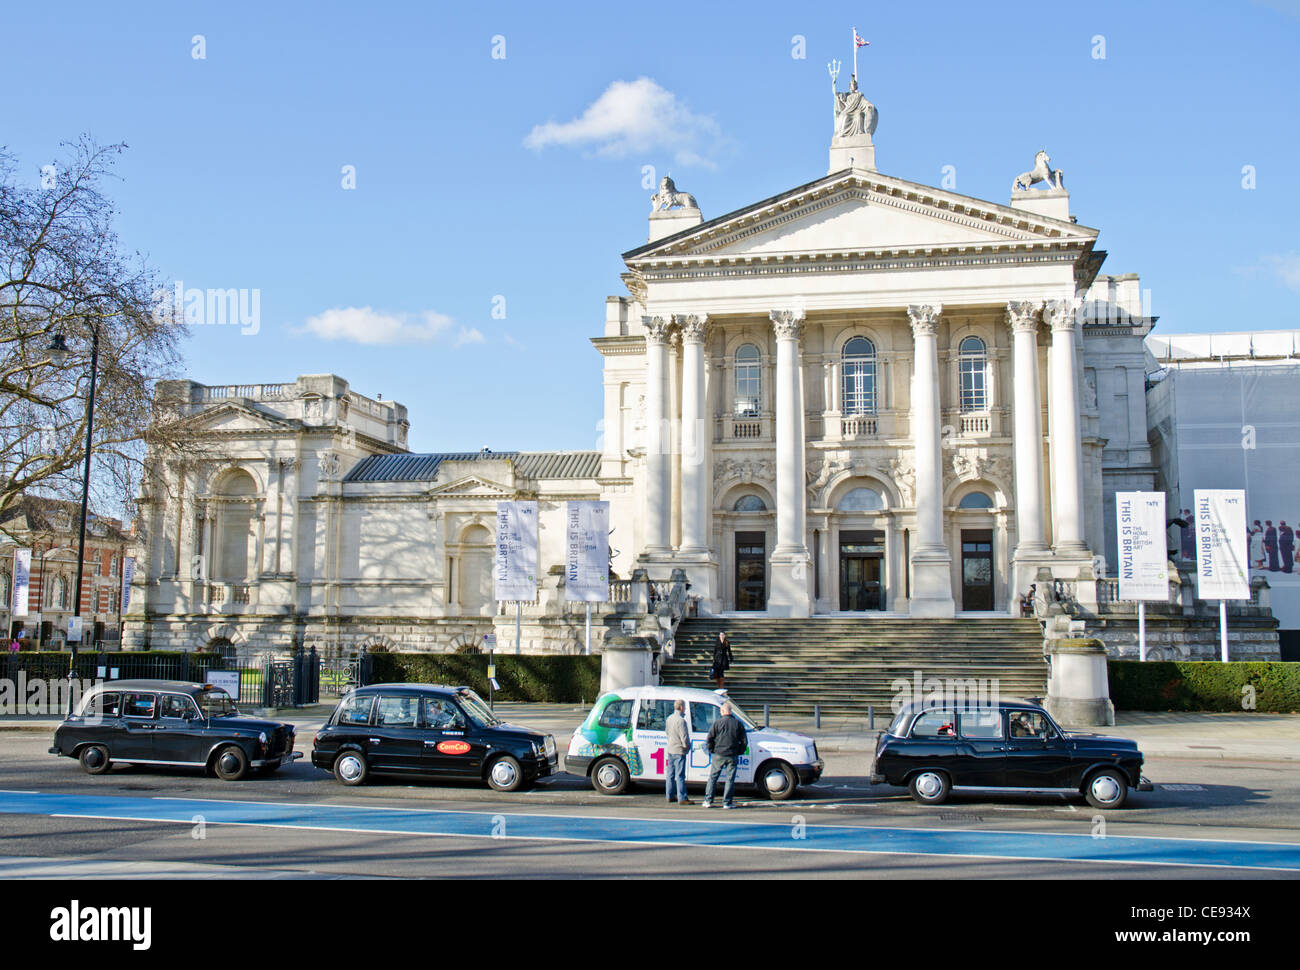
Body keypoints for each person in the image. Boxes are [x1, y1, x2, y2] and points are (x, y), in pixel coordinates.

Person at [702, 702, 747, 809]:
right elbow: (744, 741)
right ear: (730, 711)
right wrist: (739, 751)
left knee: (713, 777)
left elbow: (709, 738)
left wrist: (712, 750)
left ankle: (708, 800)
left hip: (719, 753)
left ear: (722, 712)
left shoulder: (717, 723)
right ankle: (727, 802)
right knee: (730, 779)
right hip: (732, 754)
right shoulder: (737, 723)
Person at [665, 699, 692, 805]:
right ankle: (682, 797)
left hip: (671, 748)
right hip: (679, 750)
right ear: (681, 707)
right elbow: (684, 737)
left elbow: (667, 732)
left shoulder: (669, 718)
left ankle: (669, 795)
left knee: (670, 774)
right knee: (680, 775)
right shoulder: (681, 721)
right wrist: (687, 747)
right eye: (684, 707)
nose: (684, 708)